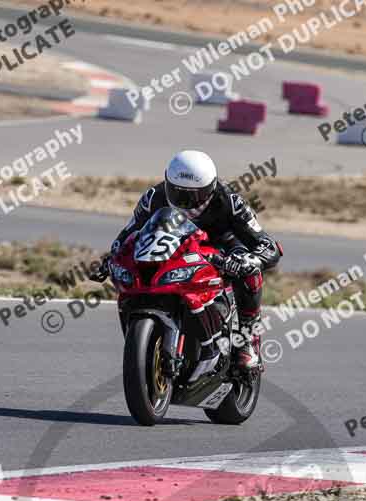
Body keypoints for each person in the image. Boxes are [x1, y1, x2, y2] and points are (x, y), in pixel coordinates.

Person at [103, 150, 282, 378]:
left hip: (221, 248)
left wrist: (250, 260)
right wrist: (112, 258)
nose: (184, 202)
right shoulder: (153, 197)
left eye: (193, 196)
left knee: (249, 271)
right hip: (175, 248)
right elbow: (129, 233)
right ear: (167, 183)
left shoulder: (230, 200)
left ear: (211, 188)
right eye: (176, 192)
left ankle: (247, 341)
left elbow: (268, 245)